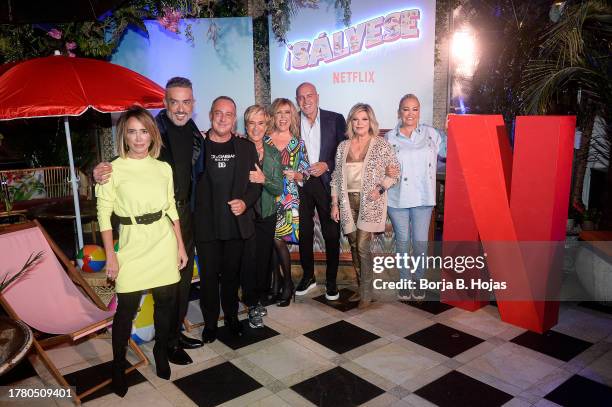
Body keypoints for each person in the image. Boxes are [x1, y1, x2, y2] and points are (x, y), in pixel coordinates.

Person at [93, 77, 203, 366]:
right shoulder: (153, 129)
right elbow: (130, 159)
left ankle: (173, 338)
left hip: (183, 217)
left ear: (193, 103)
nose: (181, 108)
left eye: (186, 101)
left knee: (179, 285)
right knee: (160, 292)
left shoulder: (195, 134)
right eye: (175, 101)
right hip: (157, 222)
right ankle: (166, 344)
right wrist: (99, 171)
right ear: (165, 103)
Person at [96, 106, 188, 397]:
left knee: (165, 304)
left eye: (144, 131)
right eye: (132, 132)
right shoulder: (112, 169)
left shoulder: (163, 168)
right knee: (125, 311)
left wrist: (181, 245)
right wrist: (111, 254)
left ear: (152, 134)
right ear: (124, 135)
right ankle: (118, 366)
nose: (138, 138)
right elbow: (103, 214)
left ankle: (161, 352)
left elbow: (171, 208)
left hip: (163, 241)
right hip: (132, 243)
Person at [194, 96, 262, 342]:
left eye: (229, 114)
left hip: (235, 225)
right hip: (206, 226)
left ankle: (232, 318)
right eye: (218, 113)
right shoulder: (198, 147)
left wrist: (245, 202)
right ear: (211, 115)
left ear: (234, 120)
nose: (223, 118)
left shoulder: (246, 148)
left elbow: (256, 186)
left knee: (232, 278)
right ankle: (210, 324)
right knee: (209, 279)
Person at [330, 103, 399, 309]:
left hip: (370, 203)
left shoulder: (381, 144)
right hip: (346, 202)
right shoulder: (343, 146)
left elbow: (394, 172)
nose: (359, 123)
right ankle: (361, 288)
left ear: (371, 122)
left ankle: (367, 293)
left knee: (362, 247)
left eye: (364, 119)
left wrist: (379, 189)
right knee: (353, 245)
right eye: (356, 119)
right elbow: (335, 176)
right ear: (351, 122)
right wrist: (334, 204)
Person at [385, 94, 445, 300]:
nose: (410, 113)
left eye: (415, 109)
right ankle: (404, 281)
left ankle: (419, 281)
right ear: (399, 112)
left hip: (423, 197)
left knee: (420, 242)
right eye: (406, 109)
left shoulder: (431, 134)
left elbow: (450, 151)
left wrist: (453, 128)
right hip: (397, 198)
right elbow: (383, 168)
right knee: (402, 242)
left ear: (419, 111)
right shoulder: (389, 138)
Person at [294, 82, 346, 300]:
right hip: (301, 183)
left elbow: (344, 151)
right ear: (297, 100)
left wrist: (327, 164)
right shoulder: (292, 120)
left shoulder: (335, 119)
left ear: (318, 96)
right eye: (301, 97)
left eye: (310, 95)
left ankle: (332, 280)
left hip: (327, 182)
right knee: (305, 232)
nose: (306, 101)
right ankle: (308, 276)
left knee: (331, 233)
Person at [241, 104, 284, 328]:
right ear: (245, 125)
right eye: (251, 123)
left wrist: (263, 179)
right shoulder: (237, 148)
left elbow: (278, 188)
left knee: (263, 261)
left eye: (260, 123)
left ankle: (257, 301)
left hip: (267, 213)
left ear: (266, 126)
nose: (256, 128)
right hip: (243, 215)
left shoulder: (274, 153)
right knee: (247, 261)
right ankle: (250, 302)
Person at [265, 98, 310, 307]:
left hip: (288, 197)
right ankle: (275, 286)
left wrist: (298, 175)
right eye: (279, 113)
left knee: (278, 239)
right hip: (266, 196)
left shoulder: (298, 143)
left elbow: (306, 172)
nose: (283, 117)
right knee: (270, 241)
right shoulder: (264, 140)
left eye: (287, 113)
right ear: (273, 116)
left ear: (292, 116)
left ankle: (287, 284)